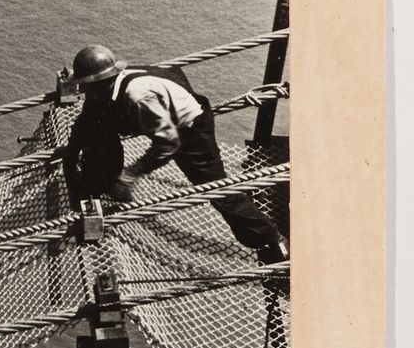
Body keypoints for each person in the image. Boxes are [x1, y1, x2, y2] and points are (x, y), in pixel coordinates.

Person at [61, 45, 288, 263]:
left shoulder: (138, 96)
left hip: (188, 126)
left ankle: (271, 239)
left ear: (100, 82)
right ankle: (101, 191)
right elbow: (83, 128)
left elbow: (168, 143)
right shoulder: (100, 92)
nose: (81, 90)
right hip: (158, 104)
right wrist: (71, 166)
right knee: (97, 130)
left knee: (216, 189)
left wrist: (131, 175)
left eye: (85, 84)